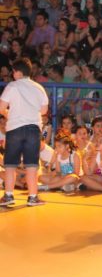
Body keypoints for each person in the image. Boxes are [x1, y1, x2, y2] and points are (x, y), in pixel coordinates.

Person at [0, 58, 50, 207]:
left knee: (10, 165)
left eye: (13, 72)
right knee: (31, 165)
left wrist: (9, 114)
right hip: (33, 129)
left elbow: (1, 107)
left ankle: (8, 196)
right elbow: (44, 111)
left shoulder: (12, 86)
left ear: (18, 72)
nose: (13, 74)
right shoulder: (38, 87)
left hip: (15, 128)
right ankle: (33, 197)